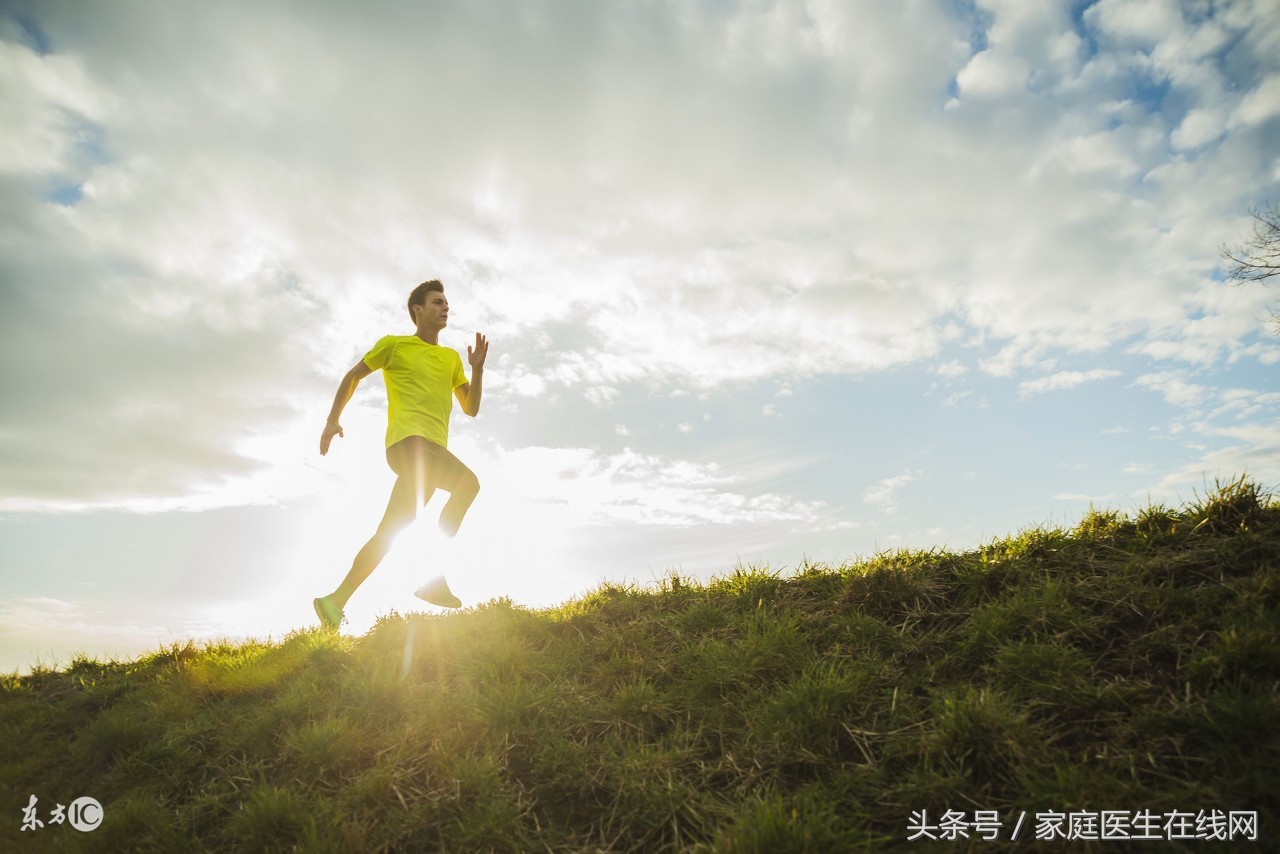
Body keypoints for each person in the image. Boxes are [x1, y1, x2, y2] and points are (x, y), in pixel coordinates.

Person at [313, 279, 488, 629]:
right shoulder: (394, 345)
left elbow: (470, 408)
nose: (445, 307)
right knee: (468, 484)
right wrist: (332, 420)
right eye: (437, 302)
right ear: (417, 310)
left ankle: (334, 601)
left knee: (390, 532)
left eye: (446, 303)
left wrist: (478, 369)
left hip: (432, 454)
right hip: (408, 445)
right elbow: (353, 376)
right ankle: (432, 577)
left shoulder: (451, 358)